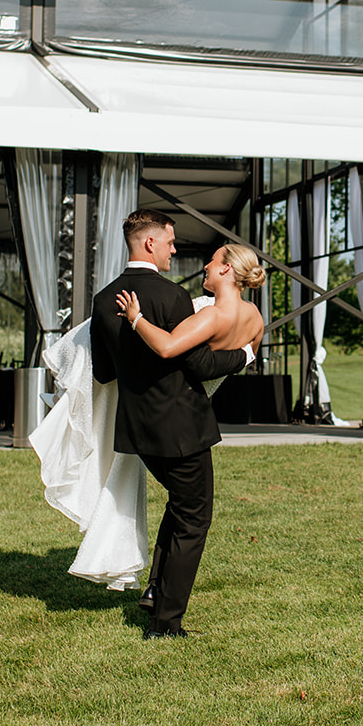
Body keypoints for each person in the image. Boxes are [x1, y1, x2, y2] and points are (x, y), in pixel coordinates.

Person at [89, 209, 251, 640]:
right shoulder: (173, 297)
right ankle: (164, 624)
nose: (175, 249)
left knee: (181, 507)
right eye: (171, 241)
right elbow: (197, 365)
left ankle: (155, 591)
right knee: (195, 519)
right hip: (181, 428)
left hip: (138, 431)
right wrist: (245, 357)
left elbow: (104, 372)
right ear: (150, 243)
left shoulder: (103, 299)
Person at [114, 243, 266, 368]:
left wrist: (135, 318)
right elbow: (248, 356)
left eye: (212, 260)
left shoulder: (213, 315)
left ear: (226, 268)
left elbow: (167, 347)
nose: (206, 266)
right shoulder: (255, 316)